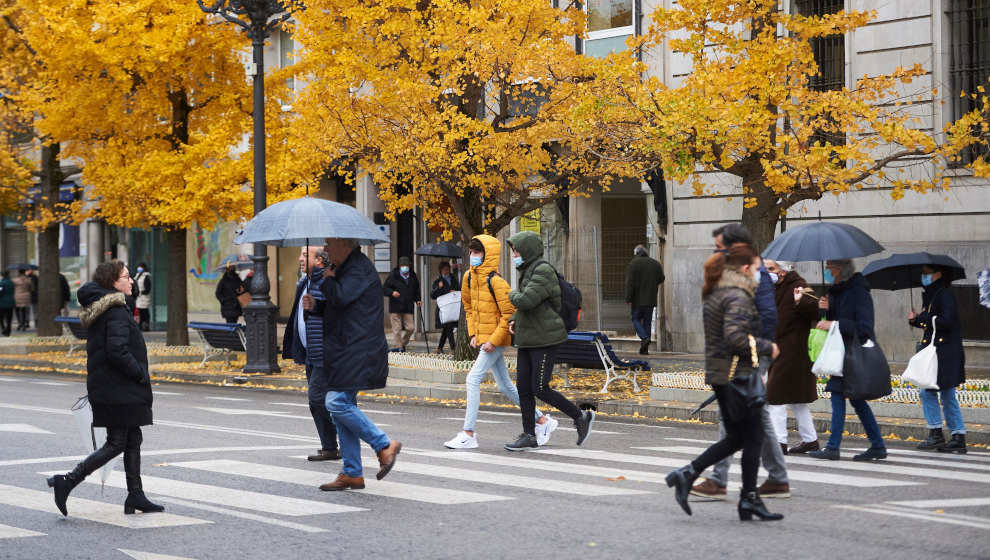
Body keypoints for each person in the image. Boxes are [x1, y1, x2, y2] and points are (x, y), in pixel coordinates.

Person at [665, 243, 783, 521]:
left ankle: (692, 474)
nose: (759, 273)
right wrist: (768, 347)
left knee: (739, 438)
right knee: (751, 437)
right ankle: (747, 498)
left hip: (724, 374)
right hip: (736, 375)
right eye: (755, 268)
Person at [46, 260, 163, 517]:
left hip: (113, 387)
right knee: (117, 442)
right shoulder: (115, 311)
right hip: (119, 388)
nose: (131, 280)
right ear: (113, 282)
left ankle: (136, 495)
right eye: (126, 276)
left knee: (132, 439)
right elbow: (117, 351)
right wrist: (140, 374)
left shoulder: (107, 309)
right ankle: (67, 480)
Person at [692, 225, 789, 500]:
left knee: (732, 414)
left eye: (720, 246)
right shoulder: (738, 271)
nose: (716, 251)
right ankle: (777, 478)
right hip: (744, 351)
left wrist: (760, 352)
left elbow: (766, 316)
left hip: (750, 353)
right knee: (756, 416)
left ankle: (719, 480)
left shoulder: (751, 272)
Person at [304, 238, 401, 491]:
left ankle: (383, 444)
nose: (326, 248)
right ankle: (351, 472)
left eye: (330, 243)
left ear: (344, 245)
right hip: (345, 349)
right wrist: (315, 306)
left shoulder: (358, 268)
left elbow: (343, 296)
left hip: (358, 349)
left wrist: (326, 279)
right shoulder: (346, 267)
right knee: (341, 411)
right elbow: (341, 306)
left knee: (335, 402)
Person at [444, 235, 557, 449]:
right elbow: (468, 309)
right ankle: (543, 420)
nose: (472, 256)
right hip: (485, 339)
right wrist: (473, 335)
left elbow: (509, 315)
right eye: (471, 252)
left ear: (489, 255)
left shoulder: (496, 281)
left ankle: (468, 433)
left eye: (477, 253)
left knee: (472, 379)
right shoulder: (468, 277)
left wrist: (494, 342)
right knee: (505, 386)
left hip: (498, 338)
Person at [502, 231, 594, 452]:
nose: (514, 254)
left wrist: (510, 294)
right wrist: (514, 319)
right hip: (528, 337)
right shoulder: (528, 271)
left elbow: (527, 300)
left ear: (528, 250)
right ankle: (529, 435)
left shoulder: (542, 270)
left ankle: (580, 416)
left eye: (516, 250)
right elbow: (529, 307)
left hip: (545, 338)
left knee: (539, 387)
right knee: (523, 388)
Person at [808, 259, 887, 461]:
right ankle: (876, 445)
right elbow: (833, 323)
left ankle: (835, 447)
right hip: (840, 354)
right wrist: (824, 309)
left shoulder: (858, 292)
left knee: (845, 398)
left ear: (840, 270)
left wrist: (834, 323)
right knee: (854, 400)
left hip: (853, 355)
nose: (827, 272)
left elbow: (864, 328)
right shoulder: (837, 291)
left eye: (830, 269)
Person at [283, 246, 340, 462]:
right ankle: (329, 447)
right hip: (311, 353)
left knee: (318, 399)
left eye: (305, 254)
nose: (299, 258)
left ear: (320, 260)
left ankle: (348, 439)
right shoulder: (304, 283)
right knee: (317, 401)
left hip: (326, 353)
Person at [763, 260, 820, 454]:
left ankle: (779, 442)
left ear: (783, 270)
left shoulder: (799, 286)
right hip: (781, 351)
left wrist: (800, 301)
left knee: (775, 397)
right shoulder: (774, 288)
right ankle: (810, 439)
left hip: (792, 352)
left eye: (771, 269)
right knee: (797, 400)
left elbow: (815, 311)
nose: (768, 272)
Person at [909, 264, 967, 453]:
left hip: (945, 353)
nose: (923, 277)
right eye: (922, 273)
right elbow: (931, 322)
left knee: (935, 393)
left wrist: (922, 319)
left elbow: (946, 321)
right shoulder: (932, 294)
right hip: (937, 351)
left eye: (927, 273)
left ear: (938, 274)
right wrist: (916, 319)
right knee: (940, 393)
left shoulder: (944, 294)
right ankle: (955, 436)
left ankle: (940, 434)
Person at [625, 244, 665, 355]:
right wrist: (652, 285)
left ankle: (644, 337)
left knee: (635, 318)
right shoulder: (655, 263)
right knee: (647, 322)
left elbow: (630, 283)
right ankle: (645, 349)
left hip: (637, 299)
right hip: (650, 299)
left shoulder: (633, 264)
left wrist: (628, 298)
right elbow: (661, 278)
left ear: (636, 253)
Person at [383, 256, 421, 352]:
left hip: (408, 306)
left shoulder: (413, 276)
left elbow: (416, 290)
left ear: (409, 266)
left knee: (411, 328)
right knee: (397, 329)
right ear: (399, 266)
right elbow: (384, 289)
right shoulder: (393, 275)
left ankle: (402, 344)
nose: (405, 267)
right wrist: (392, 293)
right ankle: (399, 348)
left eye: (406, 265)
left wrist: (418, 300)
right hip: (395, 307)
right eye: (403, 265)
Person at [430, 260, 460, 353]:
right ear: (441, 271)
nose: (446, 271)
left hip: (453, 307)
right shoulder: (438, 281)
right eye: (444, 270)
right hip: (444, 308)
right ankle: (453, 348)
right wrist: (439, 288)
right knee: (448, 326)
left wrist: (453, 291)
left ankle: (440, 348)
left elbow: (459, 290)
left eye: (447, 269)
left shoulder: (453, 278)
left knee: (447, 328)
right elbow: (433, 295)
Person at [134, 262, 152, 331]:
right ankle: (140, 325)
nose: (139, 268)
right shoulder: (137, 276)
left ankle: (146, 326)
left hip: (144, 298)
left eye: (140, 267)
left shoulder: (146, 276)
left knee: (145, 312)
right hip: (138, 298)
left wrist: (141, 292)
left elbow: (148, 288)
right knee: (140, 312)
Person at [0, 271, 14, 336]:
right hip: (11, 302)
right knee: (9, 318)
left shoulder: (2, 283)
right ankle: (8, 330)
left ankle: (3, 328)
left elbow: (0, 292)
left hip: (2, 303)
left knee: (1, 317)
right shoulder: (11, 283)